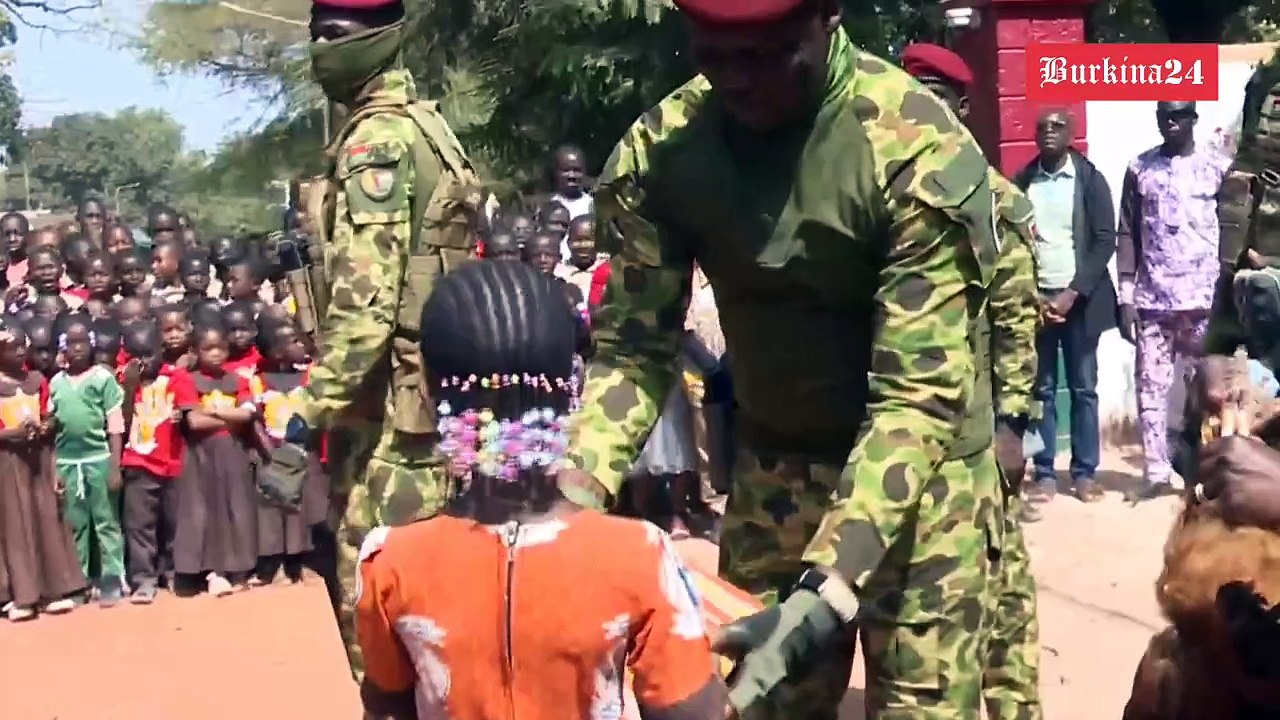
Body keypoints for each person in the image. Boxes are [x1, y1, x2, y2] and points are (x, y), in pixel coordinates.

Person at [561, 0, 1000, 716]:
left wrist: (832, 582)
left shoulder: (912, 147)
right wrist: (565, 502)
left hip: (926, 493)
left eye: (765, 55)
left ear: (827, 16)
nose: (736, 80)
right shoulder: (668, 151)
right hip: (773, 477)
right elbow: (633, 349)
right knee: (759, 702)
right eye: (713, 54)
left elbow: (915, 399)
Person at [354, 260, 725, 720]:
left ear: (428, 393)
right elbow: (689, 712)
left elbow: (387, 707)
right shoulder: (637, 554)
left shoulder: (389, 563)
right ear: (573, 385)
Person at [266, 0, 484, 675]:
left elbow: (367, 306)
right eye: (316, 38)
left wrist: (308, 410)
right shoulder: (428, 126)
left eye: (336, 37)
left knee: (384, 620)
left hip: (395, 423)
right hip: (434, 407)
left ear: (384, 37)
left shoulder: (375, 141)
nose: (322, 53)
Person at [903, 41, 1044, 720]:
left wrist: (1012, 424)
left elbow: (1018, 322)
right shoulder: (884, 192)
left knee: (1001, 595)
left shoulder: (994, 202)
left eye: (935, 100)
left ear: (960, 108)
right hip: (898, 439)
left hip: (976, 435)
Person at [1118, 101, 1231, 501]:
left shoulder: (1217, 166)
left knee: (1210, 389)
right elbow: (1128, 232)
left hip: (1204, 299)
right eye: (1164, 115)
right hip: (1154, 301)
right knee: (1151, 387)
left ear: (1193, 120)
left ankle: (1207, 472)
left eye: (1179, 115)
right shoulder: (1139, 169)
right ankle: (1156, 473)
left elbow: (1234, 223)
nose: (1170, 122)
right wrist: (1125, 295)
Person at [1014, 108, 1118, 502]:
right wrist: (1034, 294)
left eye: (1057, 126)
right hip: (1038, 302)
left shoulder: (1089, 180)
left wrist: (1072, 292)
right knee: (1040, 390)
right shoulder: (1023, 181)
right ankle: (1043, 474)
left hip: (1080, 304)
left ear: (1071, 133)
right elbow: (1013, 239)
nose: (1048, 133)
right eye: (1041, 127)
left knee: (1083, 388)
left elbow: (1105, 239)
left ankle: (1084, 473)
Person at [0, 322, 86, 621]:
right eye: (12, 347)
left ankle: (53, 590)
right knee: (16, 525)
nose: (20, 351)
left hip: (41, 457)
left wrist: (45, 426)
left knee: (47, 519)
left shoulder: (37, 380)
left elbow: (51, 416)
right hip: (7, 463)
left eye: (23, 345)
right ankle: (22, 596)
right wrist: (14, 433)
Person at [47, 311, 127, 606]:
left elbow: (115, 424)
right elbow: (52, 431)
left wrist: (115, 465)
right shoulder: (55, 383)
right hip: (68, 463)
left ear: (92, 344)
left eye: (83, 342)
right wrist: (55, 469)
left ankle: (112, 577)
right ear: (63, 347)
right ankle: (79, 579)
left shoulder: (103, 379)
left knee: (106, 521)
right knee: (76, 523)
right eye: (72, 342)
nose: (78, 348)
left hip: (99, 459)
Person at [120, 320, 198, 603]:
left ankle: (174, 571)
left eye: (148, 354)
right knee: (139, 525)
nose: (143, 362)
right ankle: (143, 578)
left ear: (160, 349)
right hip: (138, 461)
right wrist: (129, 387)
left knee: (174, 521)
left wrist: (182, 417)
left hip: (172, 460)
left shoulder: (176, 378)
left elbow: (191, 415)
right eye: (136, 355)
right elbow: (121, 421)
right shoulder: (124, 379)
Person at [182, 322, 258, 596]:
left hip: (234, 454)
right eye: (208, 348)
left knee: (237, 508)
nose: (216, 353)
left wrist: (213, 411)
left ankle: (240, 568)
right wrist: (229, 414)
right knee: (210, 512)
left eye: (221, 348)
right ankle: (215, 571)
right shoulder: (188, 380)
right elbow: (194, 422)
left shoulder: (238, 380)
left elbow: (247, 416)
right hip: (203, 456)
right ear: (195, 351)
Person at [549, 144, 594, 228]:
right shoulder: (547, 208)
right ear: (555, 172)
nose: (571, 176)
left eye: (577, 170)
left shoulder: (593, 206)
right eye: (566, 170)